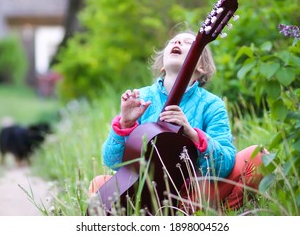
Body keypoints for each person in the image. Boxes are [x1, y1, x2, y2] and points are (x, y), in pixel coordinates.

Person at [89, 31, 266, 214]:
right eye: (173, 41)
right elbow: (114, 163)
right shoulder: (140, 98)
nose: (178, 41)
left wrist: (193, 134)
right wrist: (125, 124)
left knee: (258, 156)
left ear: (201, 66)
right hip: (146, 194)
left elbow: (225, 166)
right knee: (99, 184)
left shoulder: (212, 105)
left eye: (189, 42)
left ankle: (216, 217)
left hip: (194, 194)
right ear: (162, 66)